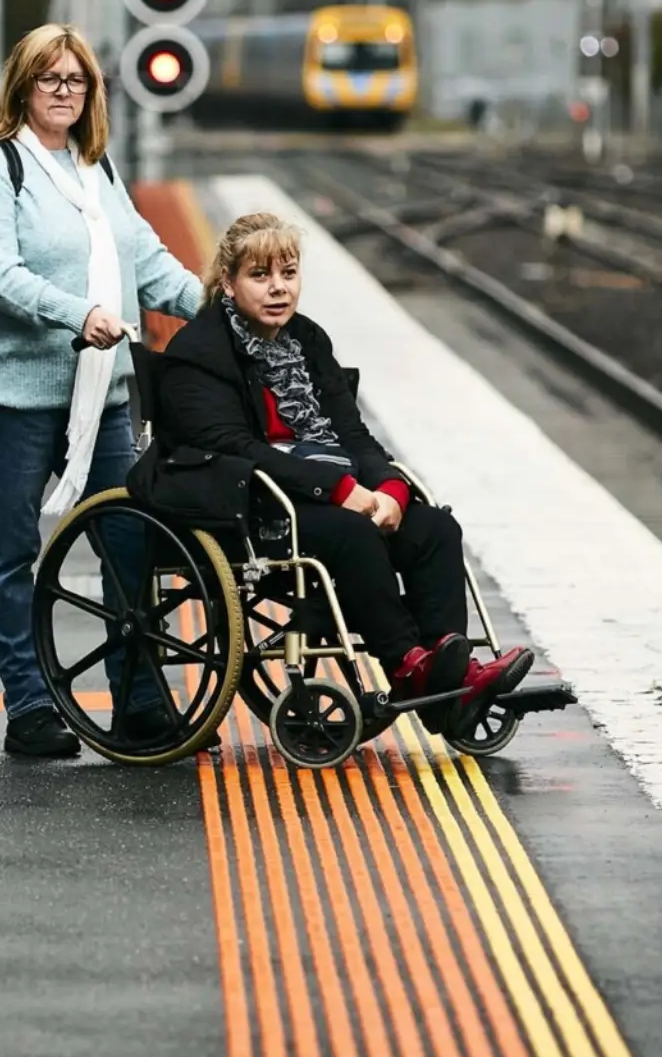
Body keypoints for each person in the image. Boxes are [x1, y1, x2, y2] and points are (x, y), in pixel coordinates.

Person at [152, 212, 532, 731]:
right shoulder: (199, 352)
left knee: (434, 529)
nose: (278, 288)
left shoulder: (307, 340)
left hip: (325, 492)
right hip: (251, 503)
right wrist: (338, 488)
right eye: (260, 276)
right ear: (228, 282)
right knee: (353, 534)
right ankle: (408, 668)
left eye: (288, 273)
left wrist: (392, 490)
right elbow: (235, 446)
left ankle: (451, 671)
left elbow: (351, 434)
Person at [0, 24, 203, 759]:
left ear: (93, 92)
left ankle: (142, 705)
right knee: (12, 549)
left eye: (77, 80)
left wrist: (225, 309)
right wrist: (79, 315)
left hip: (107, 391)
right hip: (17, 392)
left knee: (131, 545)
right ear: (22, 87)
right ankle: (29, 706)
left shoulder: (99, 169)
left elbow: (146, 264)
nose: (64, 91)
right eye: (49, 79)